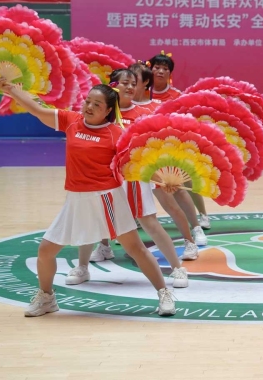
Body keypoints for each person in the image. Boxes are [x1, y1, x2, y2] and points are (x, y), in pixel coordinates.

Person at [0, 77, 177, 317]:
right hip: (75, 198)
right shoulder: (71, 121)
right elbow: (38, 110)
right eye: (88, 101)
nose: (89, 107)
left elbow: (137, 164)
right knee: (46, 251)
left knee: (136, 248)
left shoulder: (116, 134)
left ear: (108, 111)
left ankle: (164, 293)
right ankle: (47, 298)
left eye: (97, 105)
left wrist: (162, 180)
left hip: (107, 198)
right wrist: (12, 91)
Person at [78, 69, 190, 288]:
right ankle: (83, 267)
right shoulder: (102, 113)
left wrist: (161, 176)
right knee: (93, 220)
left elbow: (152, 148)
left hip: (135, 176)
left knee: (149, 222)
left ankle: (177, 268)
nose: (130, 87)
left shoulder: (144, 114)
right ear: (113, 85)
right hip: (104, 177)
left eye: (133, 83)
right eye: (125, 83)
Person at [146, 52, 212, 236]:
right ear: (150, 69)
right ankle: (139, 217)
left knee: (186, 181)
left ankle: (202, 216)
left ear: (170, 73)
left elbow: (186, 121)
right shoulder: (142, 92)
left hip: (172, 145)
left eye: (165, 69)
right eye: (157, 67)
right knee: (141, 181)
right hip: (149, 147)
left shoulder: (177, 96)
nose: (160, 71)